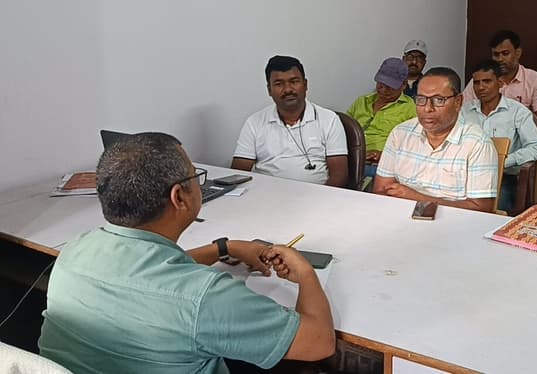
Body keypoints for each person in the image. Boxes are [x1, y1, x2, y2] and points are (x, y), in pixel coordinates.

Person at [38, 132, 335, 373]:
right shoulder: (206, 297)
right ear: (179, 196)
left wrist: (223, 248)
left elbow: (150, 276)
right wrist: (305, 273)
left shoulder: (74, 251)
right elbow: (319, 343)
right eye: (196, 177)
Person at [373, 67, 498, 213]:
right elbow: (381, 190)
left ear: (458, 102)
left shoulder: (477, 143)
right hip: (400, 216)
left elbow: (482, 209)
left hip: (453, 221)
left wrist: (417, 198)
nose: (427, 108)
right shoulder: (400, 133)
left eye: (439, 100)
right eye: (421, 99)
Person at [232, 55, 348, 187]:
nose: (288, 89)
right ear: (269, 90)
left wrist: (322, 198)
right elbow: (238, 173)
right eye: (279, 84)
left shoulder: (329, 120)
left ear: (305, 85)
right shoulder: (254, 122)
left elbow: (339, 175)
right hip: (265, 194)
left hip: (317, 195)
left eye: (294, 81)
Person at [463, 60, 537, 212]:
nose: (481, 87)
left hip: (502, 177)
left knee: (491, 212)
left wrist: (504, 161)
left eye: (487, 81)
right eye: (476, 83)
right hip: (465, 175)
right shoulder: (464, 111)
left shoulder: (517, 112)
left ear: (500, 83)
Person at [462, 30, 537, 128]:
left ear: (518, 53)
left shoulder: (535, 80)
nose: (500, 59)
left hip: (520, 133)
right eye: (496, 54)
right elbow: (464, 112)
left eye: (505, 53)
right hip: (483, 131)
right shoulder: (480, 81)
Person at [347, 57, 417, 178]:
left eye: (390, 87)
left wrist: (386, 154)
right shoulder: (362, 101)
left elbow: (414, 145)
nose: (383, 90)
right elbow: (342, 129)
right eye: (380, 84)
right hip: (351, 157)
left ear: (403, 85)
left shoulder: (410, 108)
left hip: (382, 164)